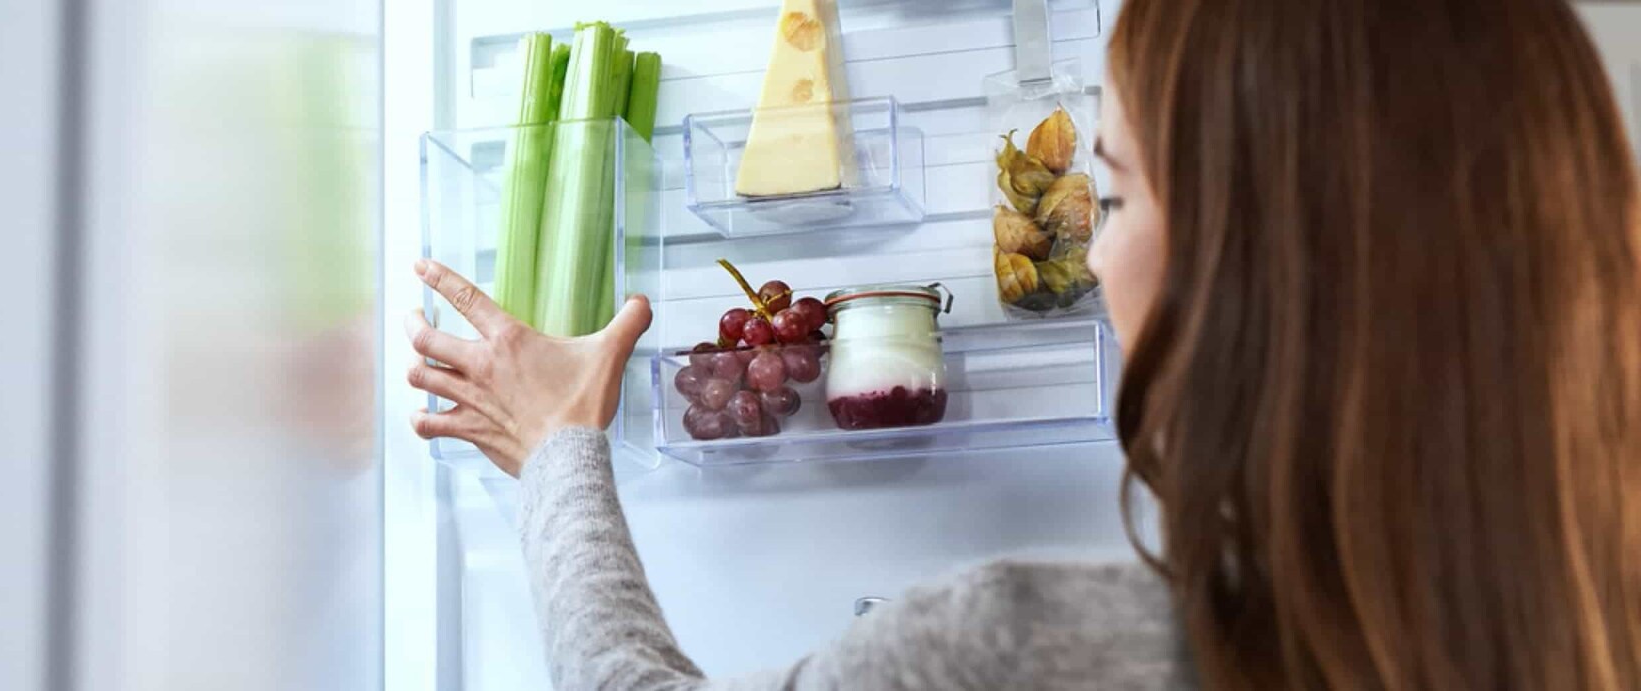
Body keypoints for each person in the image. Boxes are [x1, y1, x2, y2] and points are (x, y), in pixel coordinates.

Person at [404, 0, 1641, 686]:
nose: (1095, 255)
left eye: (1117, 193)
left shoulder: (1023, 651)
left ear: (1263, 259)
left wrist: (564, 445)